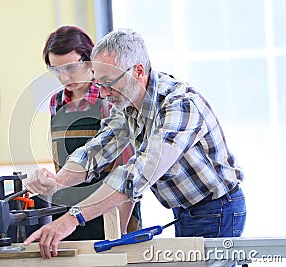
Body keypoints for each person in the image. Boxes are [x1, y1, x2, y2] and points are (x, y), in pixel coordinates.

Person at [23, 28, 246, 259]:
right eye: (99, 84)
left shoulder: (181, 105)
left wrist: (71, 219)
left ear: (138, 71)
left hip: (218, 208)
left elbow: (140, 172)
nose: (103, 93)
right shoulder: (128, 107)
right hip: (184, 210)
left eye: (108, 83)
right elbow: (95, 152)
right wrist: (57, 182)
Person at [40, 25, 142, 241]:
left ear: (89, 60)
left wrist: (119, 228)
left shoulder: (112, 97)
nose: (64, 78)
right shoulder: (56, 103)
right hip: (68, 207)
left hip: (112, 208)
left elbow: (127, 166)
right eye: (56, 70)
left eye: (70, 68)